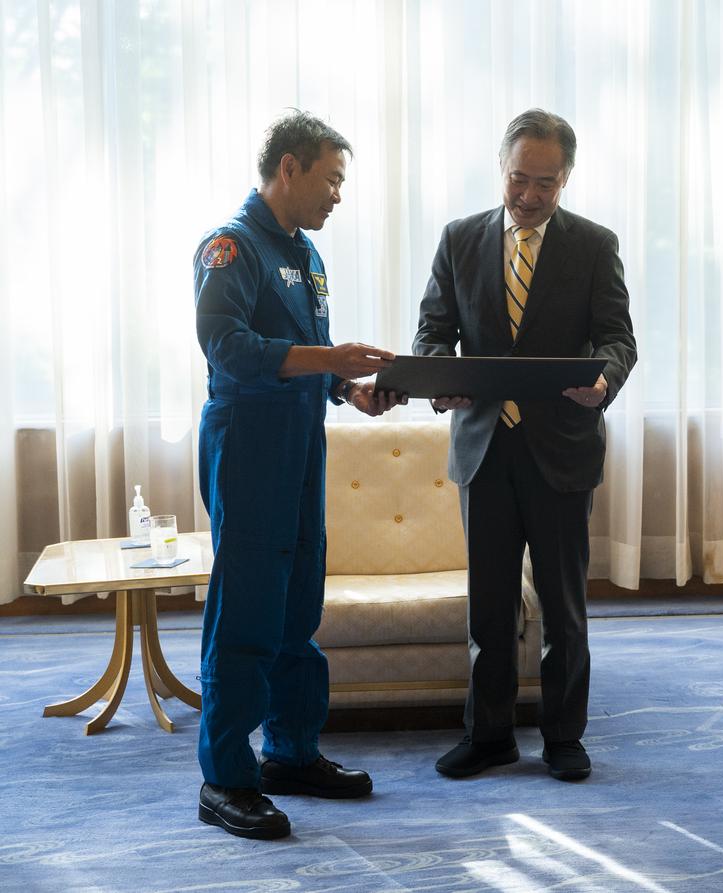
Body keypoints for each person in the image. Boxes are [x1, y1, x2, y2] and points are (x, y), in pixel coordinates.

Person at [194, 110, 405, 840]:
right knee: (247, 610)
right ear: (289, 168)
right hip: (248, 443)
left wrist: (351, 389)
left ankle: (290, 751)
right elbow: (230, 348)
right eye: (332, 179)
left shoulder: (309, 256)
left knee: (297, 608)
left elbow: (310, 357)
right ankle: (225, 776)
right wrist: (331, 362)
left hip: (301, 445)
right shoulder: (230, 246)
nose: (338, 195)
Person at [413, 109, 636, 782]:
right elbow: (431, 335)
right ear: (501, 168)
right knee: (490, 607)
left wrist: (605, 381)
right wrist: (439, 380)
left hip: (561, 446)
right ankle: (489, 736)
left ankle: (563, 736)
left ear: (565, 178)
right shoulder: (459, 239)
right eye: (519, 179)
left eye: (546, 182)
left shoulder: (594, 245)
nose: (530, 195)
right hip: (483, 448)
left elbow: (617, 340)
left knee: (564, 609)